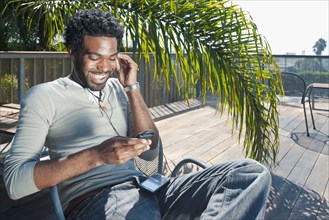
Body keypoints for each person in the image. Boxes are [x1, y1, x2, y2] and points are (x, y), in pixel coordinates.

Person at [4, 9, 271, 220]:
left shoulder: (118, 88)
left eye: (111, 58)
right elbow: (15, 183)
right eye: (94, 57)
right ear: (72, 52)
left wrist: (132, 86)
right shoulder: (44, 96)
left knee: (249, 173)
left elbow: (150, 149)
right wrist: (96, 156)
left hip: (150, 188)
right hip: (99, 201)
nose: (104, 67)